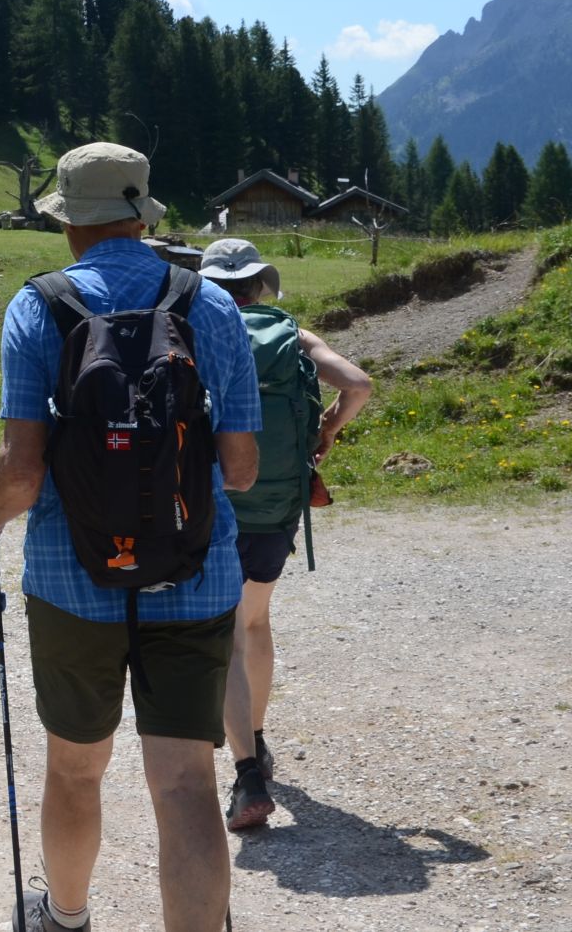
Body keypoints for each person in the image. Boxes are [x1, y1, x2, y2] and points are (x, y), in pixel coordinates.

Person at [0, 143, 261, 932]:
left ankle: (65, 917)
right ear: (142, 217)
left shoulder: (38, 307)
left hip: (72, 582)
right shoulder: (212, 305)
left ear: (70, 223)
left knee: (74, 771)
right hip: (193, 574)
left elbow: (21, 472)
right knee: (186, 784)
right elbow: (240, 471)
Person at [198, 237, 372, 833]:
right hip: (277, 504)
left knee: (225, 637)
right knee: (254, 623)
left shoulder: (196, 333)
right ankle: (259, 737)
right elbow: (359, 384)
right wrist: (329, 429)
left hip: (216, 504)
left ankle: (247, 772)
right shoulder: (292, 335)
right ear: (258, 285)